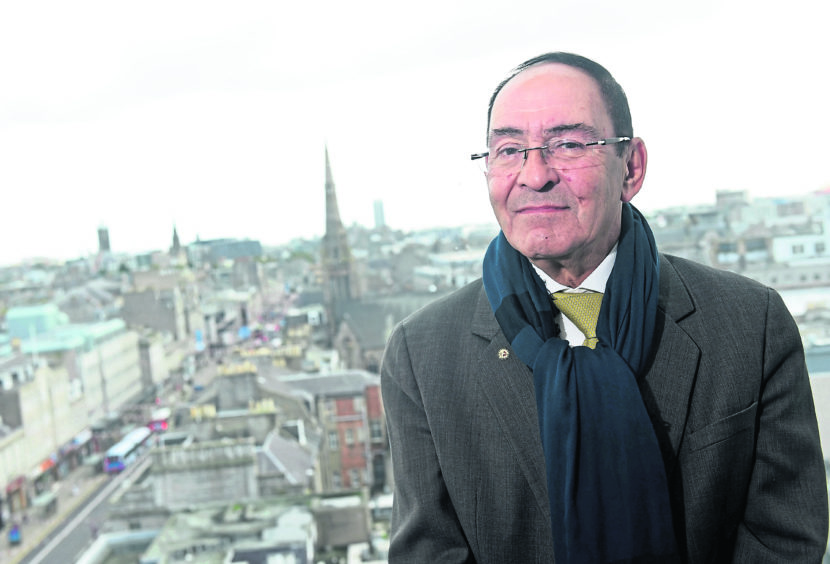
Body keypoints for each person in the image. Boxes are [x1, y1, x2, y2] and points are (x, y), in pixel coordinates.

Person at [380, 52, 828, 563]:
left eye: (568, 144)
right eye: (508, 150)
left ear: (631, 168)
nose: (534, 174)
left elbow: (783, 538)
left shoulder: (751, 322)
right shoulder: (423, 353)